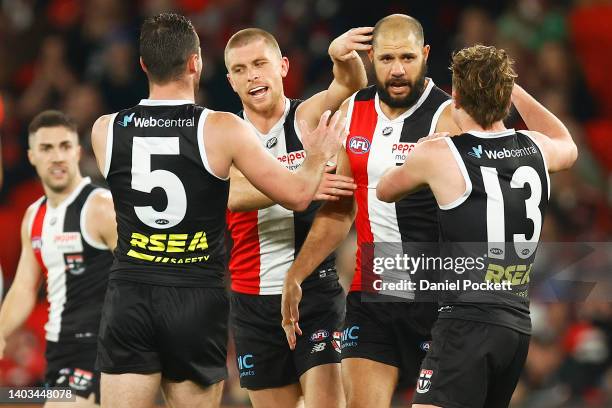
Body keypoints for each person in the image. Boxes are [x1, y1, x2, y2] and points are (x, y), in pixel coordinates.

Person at [90, 13, 346, 408]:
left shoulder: (105, 129)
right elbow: (297, 195)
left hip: (131, 291)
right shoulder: (221, 128)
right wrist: (315, 158)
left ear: (143, 65)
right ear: (197, 63)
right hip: (195, 294)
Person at [376, 45, 577, 408]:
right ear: (506, 93)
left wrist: (422, 147)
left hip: (467, 321)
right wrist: (513, 89)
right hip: (516, 326)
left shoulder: (440, 154)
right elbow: (568, 143)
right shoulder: (536, 147)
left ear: (455, 96)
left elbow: (385, 188)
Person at [281, 14, 461, 408]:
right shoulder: (353, 110)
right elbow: (340, 208)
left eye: (408, 58)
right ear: (372, 58)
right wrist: (297, 272)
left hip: (437, 295)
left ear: (426, 55)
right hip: (372, 290)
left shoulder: (450, 118)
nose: (397, 70)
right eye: (387, 59)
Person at [224, 26, 368, 408]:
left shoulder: (306, 116)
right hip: (252, 300)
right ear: (230, 81)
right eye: (240, 69)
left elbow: (351, 85)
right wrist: (303, 182)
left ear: (283, 67)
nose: (252, 75)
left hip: (315, 291)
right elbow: (233, 196)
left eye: (260, 64)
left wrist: (342, 57)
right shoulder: (226, 135)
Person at [0, 110, 117, 407]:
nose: (57, 156)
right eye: (46, 148)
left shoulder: (101, 208)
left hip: (101, 347)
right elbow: (25, 287)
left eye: (64, 146)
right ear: (31, 156)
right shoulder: (33, 216)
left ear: (77, 152)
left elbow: (142, 276)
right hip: (58, 351)